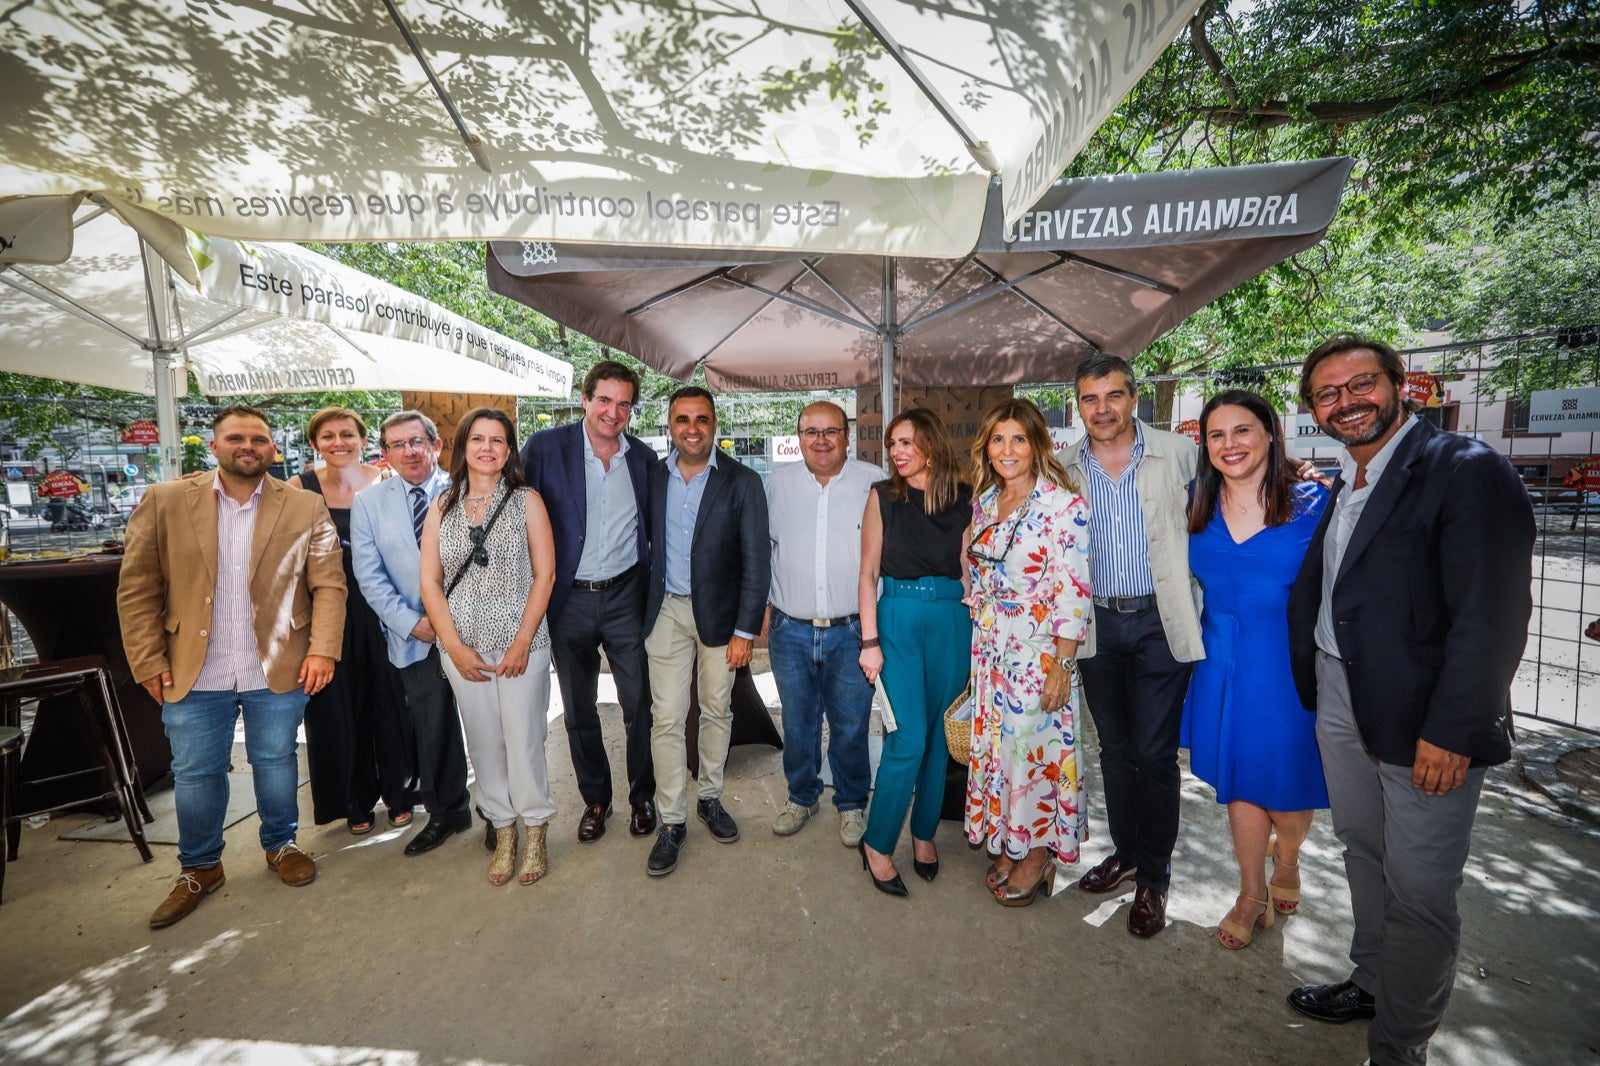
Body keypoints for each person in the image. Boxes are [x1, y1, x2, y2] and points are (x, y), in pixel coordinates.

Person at [1284, 335, 1534, 1065]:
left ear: (1400, 383)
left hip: (1427, 720)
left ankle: (1398, 1049)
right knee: (1363, 851)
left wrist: (1454, 729)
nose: (1346, 402)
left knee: (1420, 891)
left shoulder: (1464, 469)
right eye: (1327, 394)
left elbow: (1493, 615)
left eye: (1360, 384)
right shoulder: (1349, 479)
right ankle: (1371, 981)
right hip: (1341, 696)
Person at [119, 405, 345, 929]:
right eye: (236, 438)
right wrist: (147, 660)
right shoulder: (165, 500)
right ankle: (200, 867)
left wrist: (323, 649)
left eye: (259, 439)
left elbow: (329, 585)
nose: (249, 446)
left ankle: (281, 844)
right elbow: (137, 587)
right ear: (214, 446)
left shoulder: (305, 505)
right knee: (195, 773)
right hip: (192, 667)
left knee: (276, 760)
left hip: (280, 663)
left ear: (273, 448)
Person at [1178, 390, 1330, 949]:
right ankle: (1250, 892)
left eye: (1242, 430)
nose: (1230, 444)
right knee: (1240, 783)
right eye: (1216, 435)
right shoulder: (1196, 499)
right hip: (1219, 663)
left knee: (1287, 789)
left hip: (1288, 668)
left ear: (1270, 433)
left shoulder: (1317, 501)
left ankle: (1287, 859)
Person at [1064, 353, 1203, 938]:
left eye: (1113, 396)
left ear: (1134, 397)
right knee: (1115, 749)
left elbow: (1237, 488)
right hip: (1095, 624)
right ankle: (1124, 854)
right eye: (1090, 399)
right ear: (1078, 405)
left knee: (1154, 753)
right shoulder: (1063, 466)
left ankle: (1154, 876)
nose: (1102, 409)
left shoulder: (1181, 454)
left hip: (1159, 622)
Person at [963, 398, 1093, 907]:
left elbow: (1074, 592)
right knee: (1001, 752)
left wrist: (1062, 665)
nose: (1007, 449)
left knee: (1034, 756)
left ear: (1038, 443)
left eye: (1018, 439)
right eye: (998, 439)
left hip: (1038, 654)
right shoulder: (985, 503)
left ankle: (1037, 854)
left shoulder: (1065, 507)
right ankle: (1011, 842)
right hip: (991, 650)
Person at [421, 408, 558, 886]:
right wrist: (454, 647)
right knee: (483, 742)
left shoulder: (526, 501)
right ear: (463, 447)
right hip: (464, 648)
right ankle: (503, 828)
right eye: (477, 438)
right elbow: (430, 583)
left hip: (522, 645)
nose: (487, 448)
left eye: (497, 440)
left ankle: (535, 827)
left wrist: (522, 642)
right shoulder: (442, 506)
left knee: (524, 740)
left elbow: (545, 575)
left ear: (509, 450)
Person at [522, 361, 658, 844]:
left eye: (624, 404)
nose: (613, 412)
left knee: (639, 703)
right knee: (579, 709)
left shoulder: (643, 459)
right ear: (585, 399)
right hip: (567, 600)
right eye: (604, 400)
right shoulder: (545, 449)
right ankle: (596, 800)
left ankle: (643, 797)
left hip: (626, 597)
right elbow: (519, 517)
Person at [642, 387, 770, 876]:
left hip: (721, 617)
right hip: (666, 612)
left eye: (701, 419)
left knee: (717, 709)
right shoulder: (653, 476)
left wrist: (745, 630)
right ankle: (671, 820)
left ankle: (710, 798)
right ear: (670, 426)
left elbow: (757, 560)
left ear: (715, 425)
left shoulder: (742, 481)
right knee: (667, 718)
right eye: (682, 419)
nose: (692, 428)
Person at [351, 410, 477, 857]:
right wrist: (410, 622)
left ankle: (500, 812)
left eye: (416, 441)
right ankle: (447, 812)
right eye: (397, 445)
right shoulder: (369, 504)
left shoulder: (468, 490)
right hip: (415, 635)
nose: (409, 451)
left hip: (475, 630)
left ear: (436, 445)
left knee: (488, 725)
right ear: (385, 453)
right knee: (431, 727)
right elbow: (369, 576)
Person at [857, 408, 972, 897]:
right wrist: (869, 642)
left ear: (931, 443)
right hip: (898, 618)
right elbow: (868, 573)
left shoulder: (964, 497)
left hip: (952, 619)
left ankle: (924, 834)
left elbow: (966, 568)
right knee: (907, 738)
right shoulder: (883, 496)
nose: (897, 452)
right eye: (893, 444)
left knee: (939, 737)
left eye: (906, 442)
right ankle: (878, 842)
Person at [288, 407, 416, 836]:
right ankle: (354, 799)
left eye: (347, 434)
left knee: (391, 700)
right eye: (328, 436)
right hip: (328, 610)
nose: (338, 442)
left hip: (382, 605)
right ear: (314, 444)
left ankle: (400, 791)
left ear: (364, 441)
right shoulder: (299, 488)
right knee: (338, 708)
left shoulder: (387, 481)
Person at [765, 401, 880, 846]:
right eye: (811, 432)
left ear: (847, 436)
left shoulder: (874, 483)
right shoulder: (776, 486)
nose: (821, 440)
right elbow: (763, 550)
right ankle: (802, 795)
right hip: (790, 629)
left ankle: (851, 803)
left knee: (851, 724)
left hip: (852, 631)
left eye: (831, 431)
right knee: (797, 722)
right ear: (799, 437)